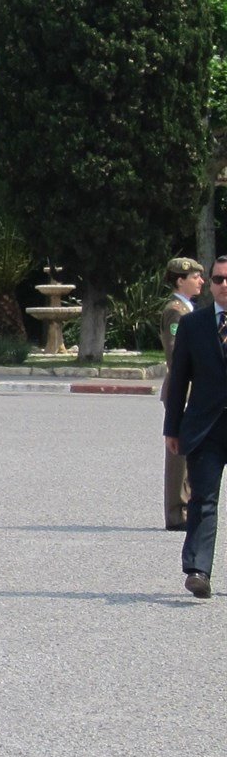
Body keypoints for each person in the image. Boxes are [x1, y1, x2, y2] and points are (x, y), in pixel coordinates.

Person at [163, 256, 227, 597]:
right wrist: (172, 428)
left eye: (226, 280)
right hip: (207, 428)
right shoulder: (193, 325)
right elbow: (179, 381)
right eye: (217, 280)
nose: (222, 285)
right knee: (203, 499)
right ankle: (198, 570)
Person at [161, 257, 204, 531]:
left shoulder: (188, 309)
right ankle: (177, 512)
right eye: (195, 277)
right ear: (180, 280)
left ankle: (186, 506)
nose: (201, 281)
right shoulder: (175, 311)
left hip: (191, 387)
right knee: (178, 452)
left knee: (189, 450)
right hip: (183, 388)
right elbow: (176, 354)